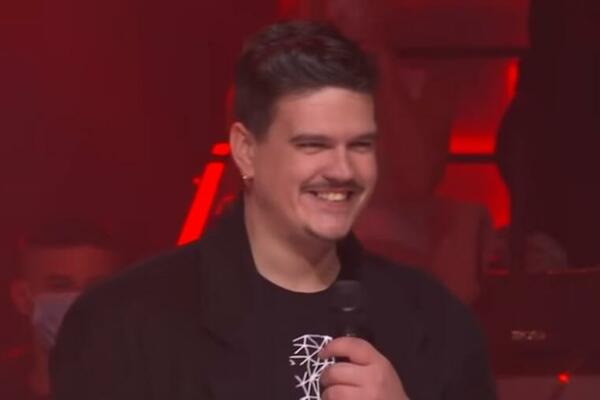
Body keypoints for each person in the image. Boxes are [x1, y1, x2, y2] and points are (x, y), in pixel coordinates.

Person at [50, 20, 496, 400]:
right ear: (246, 151)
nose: (343, 171)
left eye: (360, 145)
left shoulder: (436, 323)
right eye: (313, 145)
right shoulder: (122, 325)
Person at [0, 219, 120, 400]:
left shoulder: (148, 385)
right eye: (61, 286)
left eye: (95, 287)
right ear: (22, 297)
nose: (79, 302)